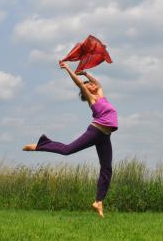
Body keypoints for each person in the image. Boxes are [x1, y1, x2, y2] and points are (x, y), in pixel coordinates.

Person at [23, 61, 118, 218]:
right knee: (68, 150)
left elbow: (99, 83)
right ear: (87, 90)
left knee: (107, 168)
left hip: (105, 136)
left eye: (92, 84)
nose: (93, 85)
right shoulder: (92, 100)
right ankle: (41, 145)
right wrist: (68, 69)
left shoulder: (101, 97)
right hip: (95, 131)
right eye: (89, 85)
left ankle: (98, 201)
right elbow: (79, 84)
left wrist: (86, 73)